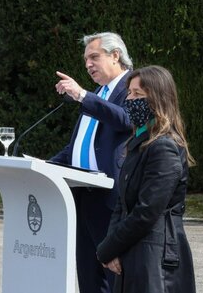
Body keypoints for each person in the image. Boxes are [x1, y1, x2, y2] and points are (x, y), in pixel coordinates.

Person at [96, 65, 196, 293]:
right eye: (129, 93)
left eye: (137, 94)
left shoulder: (164, 147)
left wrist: (108, 248)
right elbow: (123, 202)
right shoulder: (139, 144)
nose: (129, 99)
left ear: (158, 99)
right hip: (134, 251)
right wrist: (112, 248)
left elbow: (147, 211)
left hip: (155, 255)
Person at [51, 32, 133, 293]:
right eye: (86, 59)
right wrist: (41, 166)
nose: (88, 64)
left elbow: (126, 120)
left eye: (94, 57)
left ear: (116, 55)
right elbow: (79, 146)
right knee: (88, 279)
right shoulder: (98, 93)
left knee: (115, 279)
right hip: (82, 199)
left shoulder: (134, 85)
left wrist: (83, 96)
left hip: (110, 199)